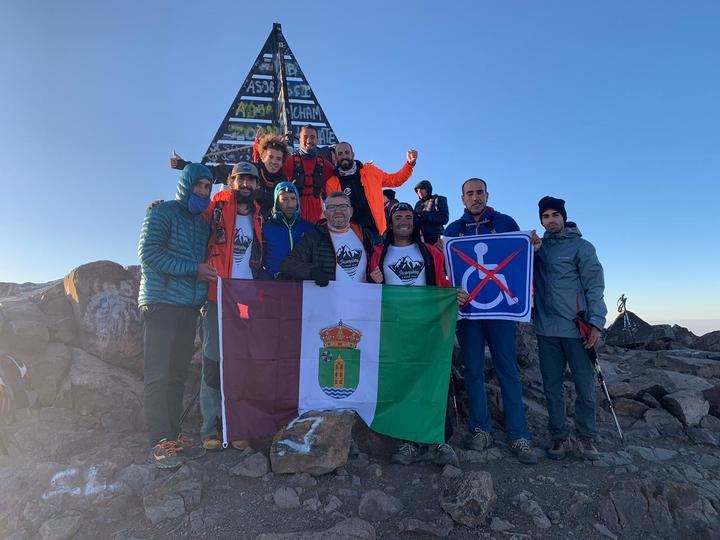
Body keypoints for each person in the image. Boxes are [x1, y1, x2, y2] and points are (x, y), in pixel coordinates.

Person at [444, 178, 537, 465]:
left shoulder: (507, 223)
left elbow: (520, 261)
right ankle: (481, 429)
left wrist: (534, 244)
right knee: (472, 371)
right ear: (462, 199)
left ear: (487, 195)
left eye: (479, 192)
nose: (475, 197)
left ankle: (518, 434)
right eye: (469, 194)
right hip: (469, 314)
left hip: (501, 314)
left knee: (507, 371)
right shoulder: (452, 231)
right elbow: (448, 273)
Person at [369, 202, 468, 467]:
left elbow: (443, 285)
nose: (403, 220)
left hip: (428, 326)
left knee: (433, 380)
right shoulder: (379, 253)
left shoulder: (430, 253)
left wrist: (455, 296)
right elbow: (368, 292)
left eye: (408, 216)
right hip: (394, 329)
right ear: (390, 223)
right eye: (398, 216)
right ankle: (407, 441)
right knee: (401, 382)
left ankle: (439, 439)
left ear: (415, 222)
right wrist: (373, 281)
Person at [138, 163, 215, 469]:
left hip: (187, 307)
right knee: (158, 374)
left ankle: (174, 436)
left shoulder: (202, 223)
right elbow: (149, 253)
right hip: (160, 303)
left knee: (178, 374)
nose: (204, 192)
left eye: (208, 187)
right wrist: (193, 270)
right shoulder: (162, 212)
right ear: (186, 184)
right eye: (199, 185)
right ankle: (160, 443)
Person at [531, 196, 606, 461]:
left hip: (578, 329)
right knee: (552, 387)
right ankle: (559, 437)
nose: (550, 221)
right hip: (546, 329)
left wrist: (597, 321)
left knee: (585, 386)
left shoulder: (582, 248)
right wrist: (532, 250)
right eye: (545, 216)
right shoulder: (536, 248)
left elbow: (595, 286)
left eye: (555, 215)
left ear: (563, 217)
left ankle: (586, 438)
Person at [199, 162, 267, 451]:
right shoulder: (217, 205)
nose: (246, 185)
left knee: (243, 361)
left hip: (246, 298)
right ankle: (209, 426)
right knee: (214, 359)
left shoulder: (259, 216)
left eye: (251, 181)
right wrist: (161, 207)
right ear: (231, 182)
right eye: (241, 180)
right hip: (218, 294)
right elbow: (193, 219)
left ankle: (237, 424)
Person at [326, 142, 417, 243]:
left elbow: (394, 180)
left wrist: (409, 165)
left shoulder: (370, 171)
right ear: (336, 157)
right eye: (340, 153)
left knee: (378, 258)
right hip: (350, 234)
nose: (344, 156)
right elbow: (332, 211)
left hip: (376, 231)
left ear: (353, 154)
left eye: (347, 152)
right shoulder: (332, 183)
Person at [281, 192, 371, 284]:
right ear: (325, 213)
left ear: (351, 211)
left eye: (343, 206)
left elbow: (375, 262)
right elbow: (288, 264)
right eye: (331, 207)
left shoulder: (363, 233)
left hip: (359, 296)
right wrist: (312, 271)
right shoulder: (314, 237)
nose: (337, 211)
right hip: (329, 296)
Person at [282, 125, 335, 224]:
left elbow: (340, 179)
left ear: (317, 140)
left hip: (318, 216)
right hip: (294, 213)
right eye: (305, 137)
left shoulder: (325, 164)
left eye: (312, 137)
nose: (309, 140)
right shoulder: (289, 162)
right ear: (300, 140)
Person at [262, 182, 313, 279]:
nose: (290, 205)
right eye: (284, 199)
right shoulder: (265, 228)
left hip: (302, 287)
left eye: (293, 199)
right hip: (273, 285)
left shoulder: (309, 229)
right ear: (277, 202)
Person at [414, 180, 449, 245]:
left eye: (422, 189)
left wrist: (427, 217)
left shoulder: (438, 199)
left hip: (436, 238)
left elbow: (444, 218)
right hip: (421, 239)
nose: (419, 192)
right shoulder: (418, 204)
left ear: (428, 189)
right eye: (417, 191)